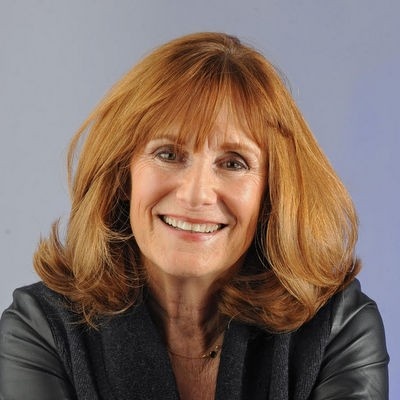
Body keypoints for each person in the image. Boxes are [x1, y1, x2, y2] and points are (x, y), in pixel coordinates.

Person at [0, 32, 389, 400]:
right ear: (122, 173)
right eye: (168, 154)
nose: (196, 194)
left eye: (233, 163)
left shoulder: (338, 326)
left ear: (273, 192)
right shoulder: (40, 329)